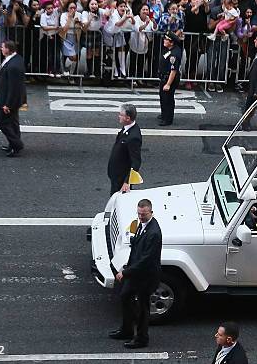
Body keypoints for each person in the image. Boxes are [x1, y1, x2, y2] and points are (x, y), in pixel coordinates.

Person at [109, 199, 162, 349]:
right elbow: (136, 249)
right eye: (139, 214)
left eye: (144, 214)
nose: (140, 217)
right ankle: (126, 330)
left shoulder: (154, 233)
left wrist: (125, 272)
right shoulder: (142, 225)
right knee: (125, 296)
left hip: (146, 276)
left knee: (142, 308)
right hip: (136, 272)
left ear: (151, 212)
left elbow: (146, 260)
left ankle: (141, 338)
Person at [0, 40, 26, 158]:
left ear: (8, 49)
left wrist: (8, 104)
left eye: (2, 47)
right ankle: (13, 145)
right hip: (9, 96)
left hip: (10, 99)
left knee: (1, 121)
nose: (1, 49)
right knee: (13, 122)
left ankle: (16, 144)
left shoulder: (13, 66)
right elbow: (4, 77)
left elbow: (14, 87)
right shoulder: (14, 59)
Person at [107, 104, 142, 195]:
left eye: (121, 115)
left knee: (117, 202)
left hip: (121, 179)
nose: (119, 116)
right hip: (116, 175)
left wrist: (127, 182)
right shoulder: (127, 128)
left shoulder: (133, 137)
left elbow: (136, 162)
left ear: (128, 118)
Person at [157, 31, 182, 126]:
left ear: (171, 42)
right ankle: (164, 114)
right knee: (163, 97)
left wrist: (168, 84)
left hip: (169, 78)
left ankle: (168, 119)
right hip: (164, 77)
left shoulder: (174, 54)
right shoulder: (169, 50)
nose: (164, 40)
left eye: (166, 39)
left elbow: (173, 70)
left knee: (168, 99)